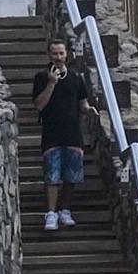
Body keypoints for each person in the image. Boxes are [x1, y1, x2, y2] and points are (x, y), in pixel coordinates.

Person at [33, 40, 93, 232]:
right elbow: (39, 105)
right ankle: (51, 213)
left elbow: (83, 105)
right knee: (52, 175)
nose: (58, 58)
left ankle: (64, 210)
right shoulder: (41, 77)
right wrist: (52, 83)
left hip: (72, 133)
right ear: (48, 55)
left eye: (61, 53)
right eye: (54, 54)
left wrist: (89, 110)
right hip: (52, 133)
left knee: (72, 175)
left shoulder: (76, 78)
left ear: (67, 54)